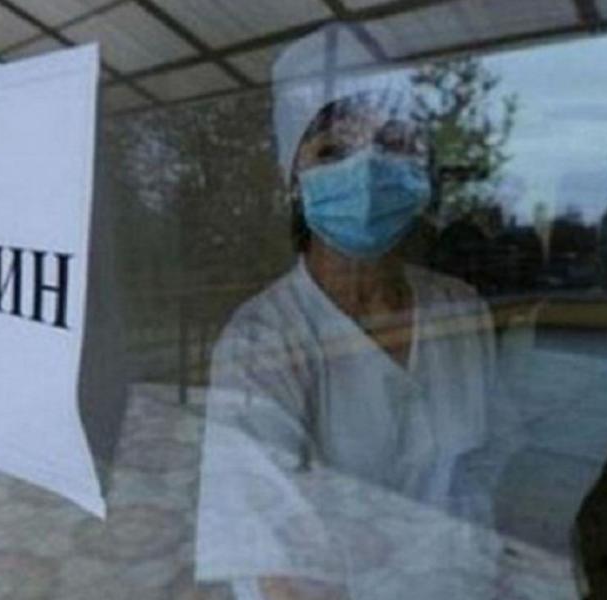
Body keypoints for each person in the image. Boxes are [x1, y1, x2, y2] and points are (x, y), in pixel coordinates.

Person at [195, 24, 522, 600]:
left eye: (393, 142)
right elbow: (276, 563)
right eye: (332, 151)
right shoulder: (259, 342)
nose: (368, 170)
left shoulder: (457, 308)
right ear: (293, 179)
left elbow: (485, 472)